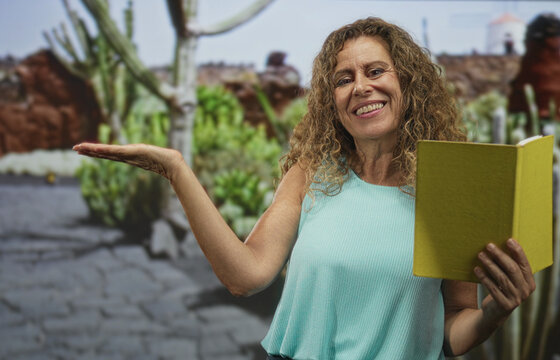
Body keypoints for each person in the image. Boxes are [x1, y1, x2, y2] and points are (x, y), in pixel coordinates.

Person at [74, 17, 536, 360]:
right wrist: (176, 169)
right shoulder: (313, 171)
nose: (361, 87)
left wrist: (493, 312)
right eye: (344, 78)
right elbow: (245, 275)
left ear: (408, 83)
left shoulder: (447, 189)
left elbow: (452, 328)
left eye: (376, 71)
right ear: (331, 101)